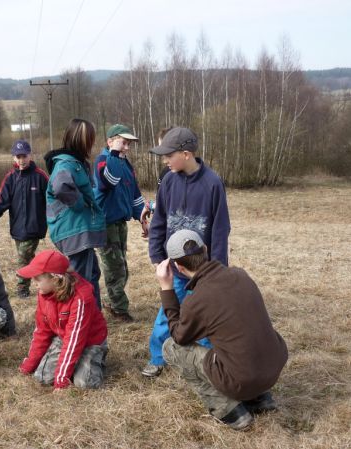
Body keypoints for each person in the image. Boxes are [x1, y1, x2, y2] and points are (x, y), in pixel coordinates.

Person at [156, 229, 288, 430]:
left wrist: (166, 289)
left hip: (244, 379)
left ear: (179, 268)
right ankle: (260, 398)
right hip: (273, 368)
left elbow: (179, 337)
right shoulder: (240, 274)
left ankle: (228, 409)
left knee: (170, 348)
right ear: (206, 249)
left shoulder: (197, 300)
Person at [142, 127, 231, 378]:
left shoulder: (213, 183)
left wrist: (217, 270)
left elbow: (221, 229)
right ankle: (158, 357)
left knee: (205, 315)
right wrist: (157, 256)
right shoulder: (169, 181)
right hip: (175, 267)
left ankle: (205, 363)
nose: (165, 160)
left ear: (186, 154)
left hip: (203, 271)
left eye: (169, 155)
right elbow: (159, 220)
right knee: (166, 313)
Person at [18, 250, 108, 390]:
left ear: (54, 279)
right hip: (64, 337)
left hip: (90, 341)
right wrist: (28, 366)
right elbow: (42, 331)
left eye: (37, 278)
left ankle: (96, 357)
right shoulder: (44, 293)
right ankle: (73, 364)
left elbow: (74, 340)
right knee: (42, 377)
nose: (33, 282)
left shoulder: (81, 299)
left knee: (84, 384)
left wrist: (61, 380)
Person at [44, 118, 106, 309]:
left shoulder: (75, 163)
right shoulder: (67, 164)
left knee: (92, 273)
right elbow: (61, 187)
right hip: (74, 230)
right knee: (79, 279)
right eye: (90, 139)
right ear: (83, 140)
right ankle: (76, 316)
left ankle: (93, 313)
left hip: (78, 229)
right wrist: (80, 204)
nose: (92, 143)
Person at [0, 139, 48, 298]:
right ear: (13, 158)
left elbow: (52, 199)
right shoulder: (10, 178)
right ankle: (43, 277)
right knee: (27, 258)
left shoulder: (40, 176)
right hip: (17, 227)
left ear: (30, 155)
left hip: (34, 227)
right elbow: (0, 201)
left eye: (24, 156)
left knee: (23, 258)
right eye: (18, 157)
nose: (21, 160)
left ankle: (22, 289)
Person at [93, 124, 145, 322]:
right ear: (110, 141)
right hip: (105, 224)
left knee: (122, 266)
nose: (127, 147)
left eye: (129, 143)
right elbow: (108, 182)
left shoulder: (126, 165)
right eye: (123, 142)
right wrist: (114, 154)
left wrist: (142, 217)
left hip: (120, 224)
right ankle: (119, 309)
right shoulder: (102, 161)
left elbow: (134, 194)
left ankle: (111, 300)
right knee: (115, 268)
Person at [140, 127, 173, 235]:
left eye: (167, 153)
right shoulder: (166, 172)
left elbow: (171, 207)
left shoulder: (175, 175)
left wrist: (150, 206)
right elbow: (162, 203)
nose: (164, 160)